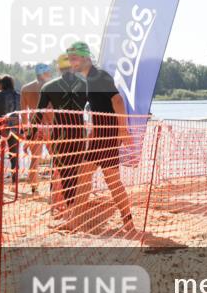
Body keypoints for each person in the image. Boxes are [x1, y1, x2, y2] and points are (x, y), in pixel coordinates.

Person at [65, 42, 136, 235]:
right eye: (70, 59)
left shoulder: (98, 76)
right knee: (85, 176)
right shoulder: (92, 78)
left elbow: (117, 100)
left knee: (110, 180)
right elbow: (103, 107)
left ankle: (128, 223)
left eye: (74, 59)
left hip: (107, 136)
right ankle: (75, 221)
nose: (72, 63)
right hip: (101, 135)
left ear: (85, 57)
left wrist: (123, 130)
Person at [30, 54, 86, 212]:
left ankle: (69, 209)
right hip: (78, 134)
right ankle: (72, 209)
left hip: (60, 135)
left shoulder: (48, 87)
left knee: (63, 172)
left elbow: (38, 115)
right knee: (75, 172)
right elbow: (95, 109)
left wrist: (29, 133)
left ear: (58, 68)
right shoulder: (86, 85)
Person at [20, 62, 54, 188]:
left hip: (34, 127)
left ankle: (34, 187)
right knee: (56, 158)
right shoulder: (51, 87)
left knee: (35, 159)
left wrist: (26, 132)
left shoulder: (26, 89)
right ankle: (54, 187)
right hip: (50, 126)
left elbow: (24, 114)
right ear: (46, 73)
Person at [0, 75, 21, 185]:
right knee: (14, 156)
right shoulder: (18, 96)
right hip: (14, 128)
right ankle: (14, 182)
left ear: (2, 84)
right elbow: (19, 114)